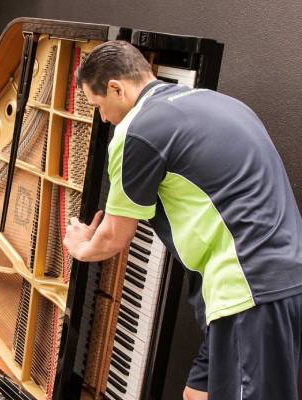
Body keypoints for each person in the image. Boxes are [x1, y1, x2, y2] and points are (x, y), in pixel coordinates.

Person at [62, 41, 302, 400]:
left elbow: (113, 237)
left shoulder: (137, 131)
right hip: (275, 277)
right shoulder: (214, 101)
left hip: (248, 292)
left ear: (116, 88)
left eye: (98, 106)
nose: (103, 118)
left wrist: (81, 247)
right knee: (196, 394)